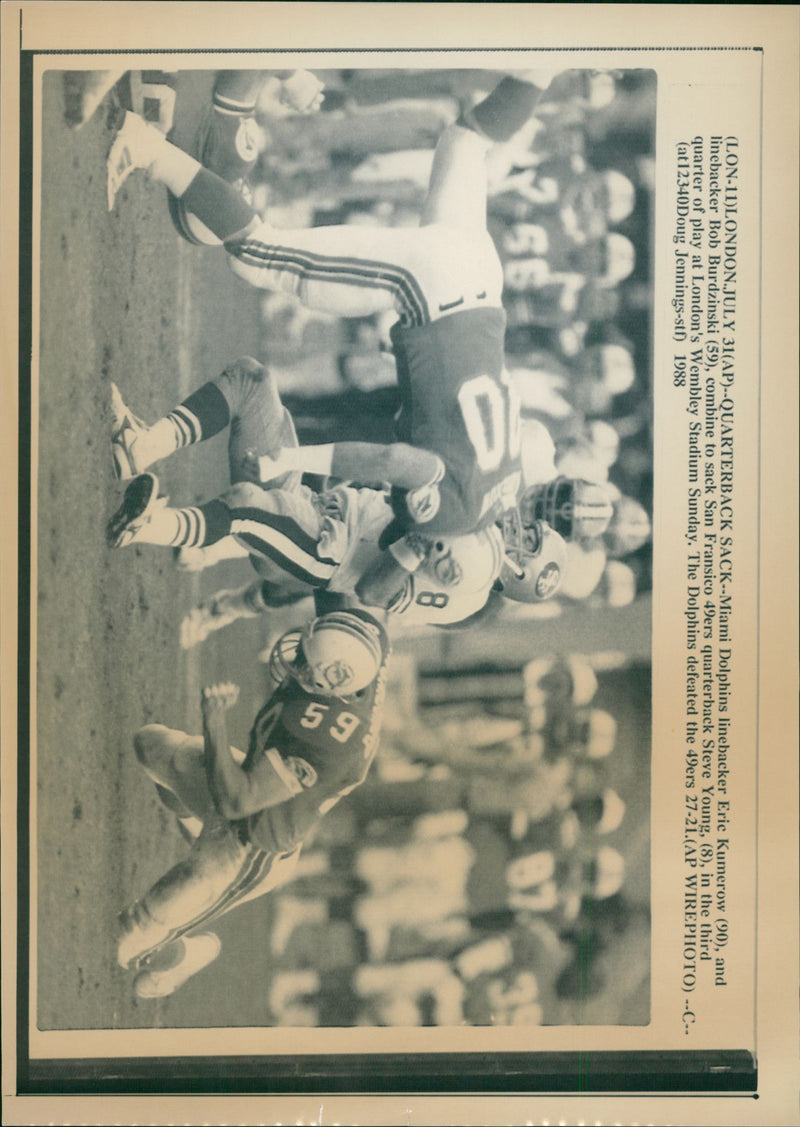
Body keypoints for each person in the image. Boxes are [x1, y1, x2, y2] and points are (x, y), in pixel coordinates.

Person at [106, 72, 566, 603]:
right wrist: (292, 463)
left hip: (484, 283)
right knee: (258, 256)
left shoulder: (509, 475)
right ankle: (144, 145)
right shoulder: (459, 518)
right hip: (430, 290)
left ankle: (538, 72)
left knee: (467, 139)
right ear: (506, 566)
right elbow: (395, 465)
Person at [106, 356, 568, 634]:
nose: (521, 525)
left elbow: (371, 590)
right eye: (531, 527)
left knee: (245, 503)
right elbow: (391, 489)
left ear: (519, 571)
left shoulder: (467, 590)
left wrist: (418, 543)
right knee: (252, 381)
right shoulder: (478, 517)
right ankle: (141, 446)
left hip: (323, 554)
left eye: (529, 538)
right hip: (322, 508)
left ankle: (145, 527)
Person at [117, 606, 390, 998]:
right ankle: (197, 827)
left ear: (333, 679)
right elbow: (346, 592)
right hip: (249, 783)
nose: (298, 659)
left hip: (253, 844)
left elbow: (235, 801)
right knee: (152, 747)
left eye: (308, 662)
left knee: (131, 939)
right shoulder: (364, 649)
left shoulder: (325, 742)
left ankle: (186, 955)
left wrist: (214, 720)